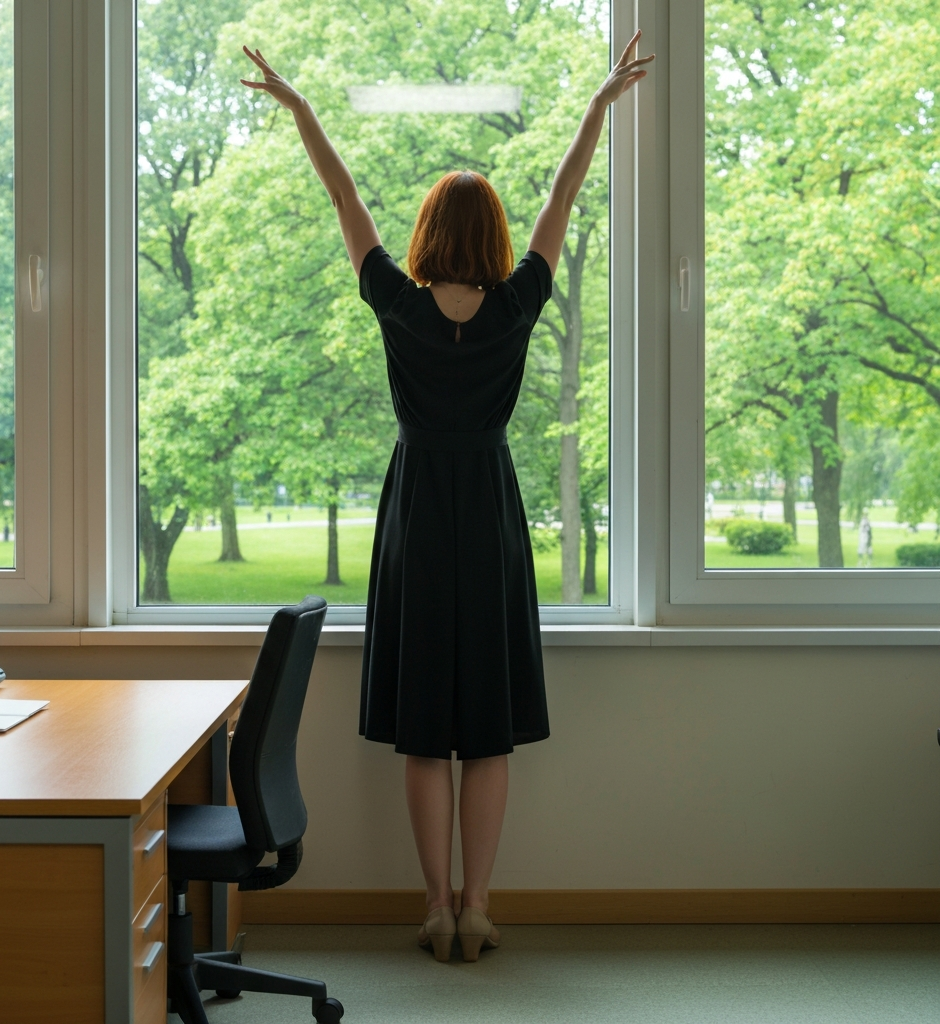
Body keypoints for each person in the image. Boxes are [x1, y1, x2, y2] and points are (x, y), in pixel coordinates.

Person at [241, 32, 653, 963]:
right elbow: (561, 195)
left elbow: (344, 196)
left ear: (428, 237)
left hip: (420, 512)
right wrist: (597, 106)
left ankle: (434, 906)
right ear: (494, 239)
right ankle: (479, 905)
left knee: (429, 731)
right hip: (492, 515)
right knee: (489, 736)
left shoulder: (397, 301)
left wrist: (301, 107)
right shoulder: (515, 306)